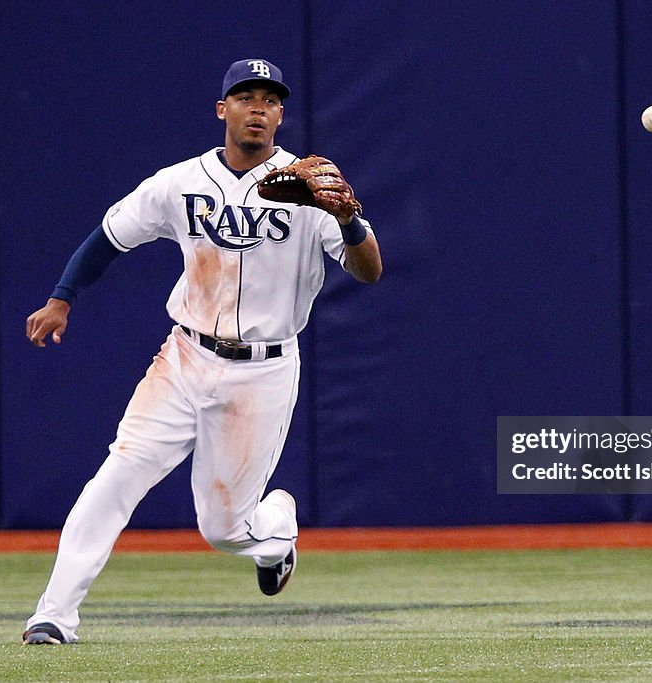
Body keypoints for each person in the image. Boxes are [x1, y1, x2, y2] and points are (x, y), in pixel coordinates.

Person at [21, 58, 382, 645]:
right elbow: (109, 237)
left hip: (262, 371)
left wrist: (350, 222)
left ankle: (276, 526)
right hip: (185, 357)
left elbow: (369, 272)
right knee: (118, 474)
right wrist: (62, 297)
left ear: (281, 114)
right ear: (223, 110)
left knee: (221, 530)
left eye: (270, 99)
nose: (257, 108)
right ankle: (54, 616)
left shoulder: (312, 184)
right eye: (245, 96)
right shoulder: (180, 181)